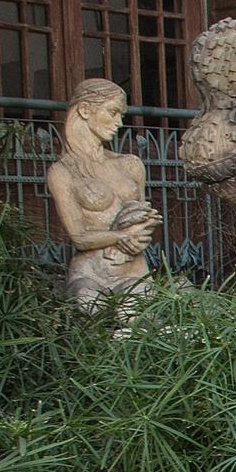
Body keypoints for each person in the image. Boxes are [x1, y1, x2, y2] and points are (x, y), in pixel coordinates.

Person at [47, 78, 161, 306]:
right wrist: (122, 236)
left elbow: (144, 214)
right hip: (90, 271)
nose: (119, 122)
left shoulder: (130, 164)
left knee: (133, 311)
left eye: (122, 115)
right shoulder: (62, 172)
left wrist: (142, 232)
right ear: (85, 110)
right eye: (113, 112)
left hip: (132, 269)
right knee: (88, 303)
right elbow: (79, 237)